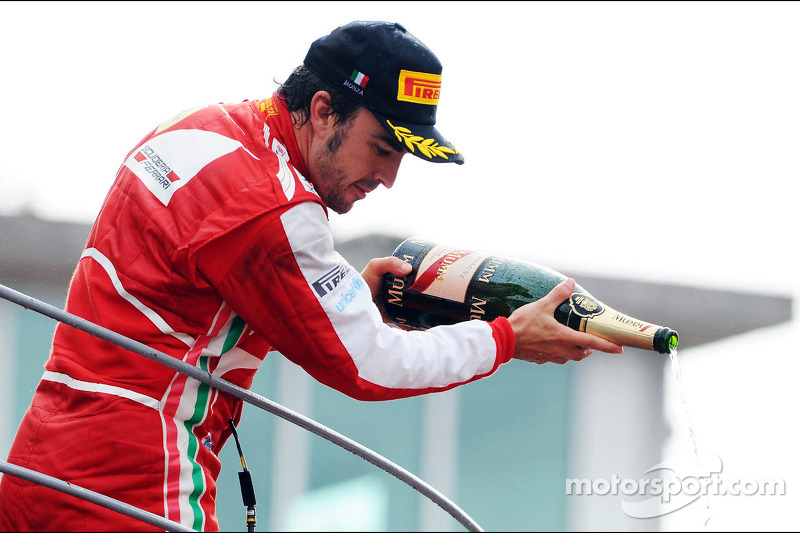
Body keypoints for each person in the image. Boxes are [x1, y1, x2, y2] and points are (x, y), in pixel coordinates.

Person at [0, 20, 623, 532]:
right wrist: (505, 340)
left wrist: (349, 296)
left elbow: (210, 284)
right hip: (136, 485)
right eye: (383, 147)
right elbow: (368, 365)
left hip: (41, 464)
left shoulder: (205, 129)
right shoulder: (275, 209)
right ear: (324, 110)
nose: (389, 178)